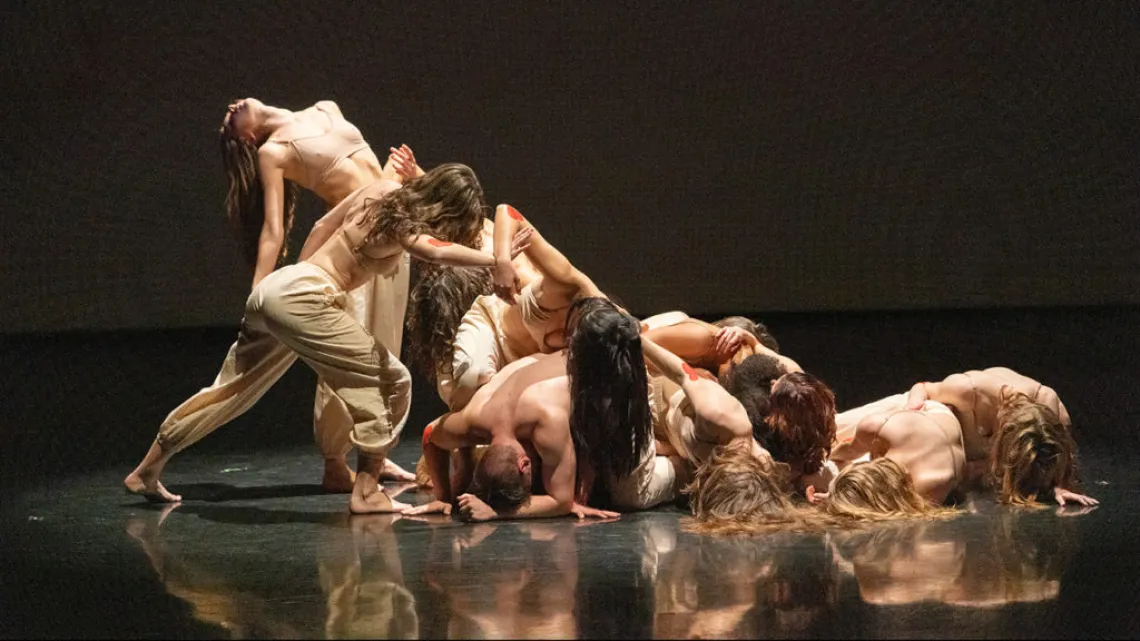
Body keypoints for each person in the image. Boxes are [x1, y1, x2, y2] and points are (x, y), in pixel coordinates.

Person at [125, 164, 528, 513]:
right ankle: (367, 492)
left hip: (280, 288)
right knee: (392, 381)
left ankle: (146, 471)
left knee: (228, 390)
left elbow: (320, 226)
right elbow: (436, 251)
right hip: (302, 297)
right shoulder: (406, 221)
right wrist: (497, 260)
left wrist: (289, 286)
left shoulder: (381, 190)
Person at [219, 96, 425, 488]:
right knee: (347, 356)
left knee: (386, 347)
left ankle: (374, 455)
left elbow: (366, 180)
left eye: (231, 108)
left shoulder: (326, 107)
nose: (231, 107)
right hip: (352, 248)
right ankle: (335, 461)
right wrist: (257, 292)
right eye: (227, 120)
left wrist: (391, 176)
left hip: (392, 232)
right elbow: (273, 231)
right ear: (246, 138)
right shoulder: (272, 153)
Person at [902, 367, 1096, 506]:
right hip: (968, 440)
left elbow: (1060, 451)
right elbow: (922, 388)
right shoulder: (966, 390)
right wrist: (913, 410)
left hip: (989, 459)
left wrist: (1061, 484)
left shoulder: (1047, 401)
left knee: (1061, 419)